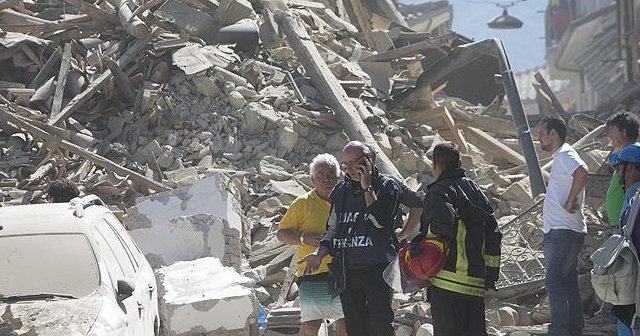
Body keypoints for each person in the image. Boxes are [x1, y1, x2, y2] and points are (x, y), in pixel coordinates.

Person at [300, 141, 403, 336]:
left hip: (377, 269)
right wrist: (319, 253)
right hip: (348, 270)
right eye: (346, 164)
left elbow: (380, 222)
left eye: (355, 162)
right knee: (354, 328)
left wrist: (367, 188)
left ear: (368, 160)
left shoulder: (387, 186)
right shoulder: (340, 191)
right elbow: (332, 230)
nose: (350, 169)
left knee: (380, 325)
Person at [419, 141, 501, 336]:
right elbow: (493, 234)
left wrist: (419, 258)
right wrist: (489, 276)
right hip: (474, 286)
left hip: (446, 285)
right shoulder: (475, 192)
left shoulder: (438, 192)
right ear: (460, 163)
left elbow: (440, 231)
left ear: (435, 165)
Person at [276, 153, 347, 336]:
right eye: (321, 174)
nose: (326, 178)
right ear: (312, 178)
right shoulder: (302, 204)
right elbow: (281, 234)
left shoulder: (346, 202)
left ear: (338, 177)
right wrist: (302, 238)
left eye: (331, 174)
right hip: (312, 274)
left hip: (344, 273)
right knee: (311, 326)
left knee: (347, 324)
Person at [538, 116, 589, 336]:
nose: (539, 137)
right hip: (565, 229)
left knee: (554, 280)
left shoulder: (566, 154)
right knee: (567, 280)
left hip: (562, 230)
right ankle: (574, 328)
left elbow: (582, 172)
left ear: (554, 134)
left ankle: (559, 329)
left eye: (542, 132)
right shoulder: (562, 156)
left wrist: (570, 200)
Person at [605, 112, 640, 233]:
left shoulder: (633, 152)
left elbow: (614, 159)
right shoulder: (626, 153)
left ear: (624, 131)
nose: (609, 135)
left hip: (629, 225)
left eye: (612, 130)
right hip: (623, 222)